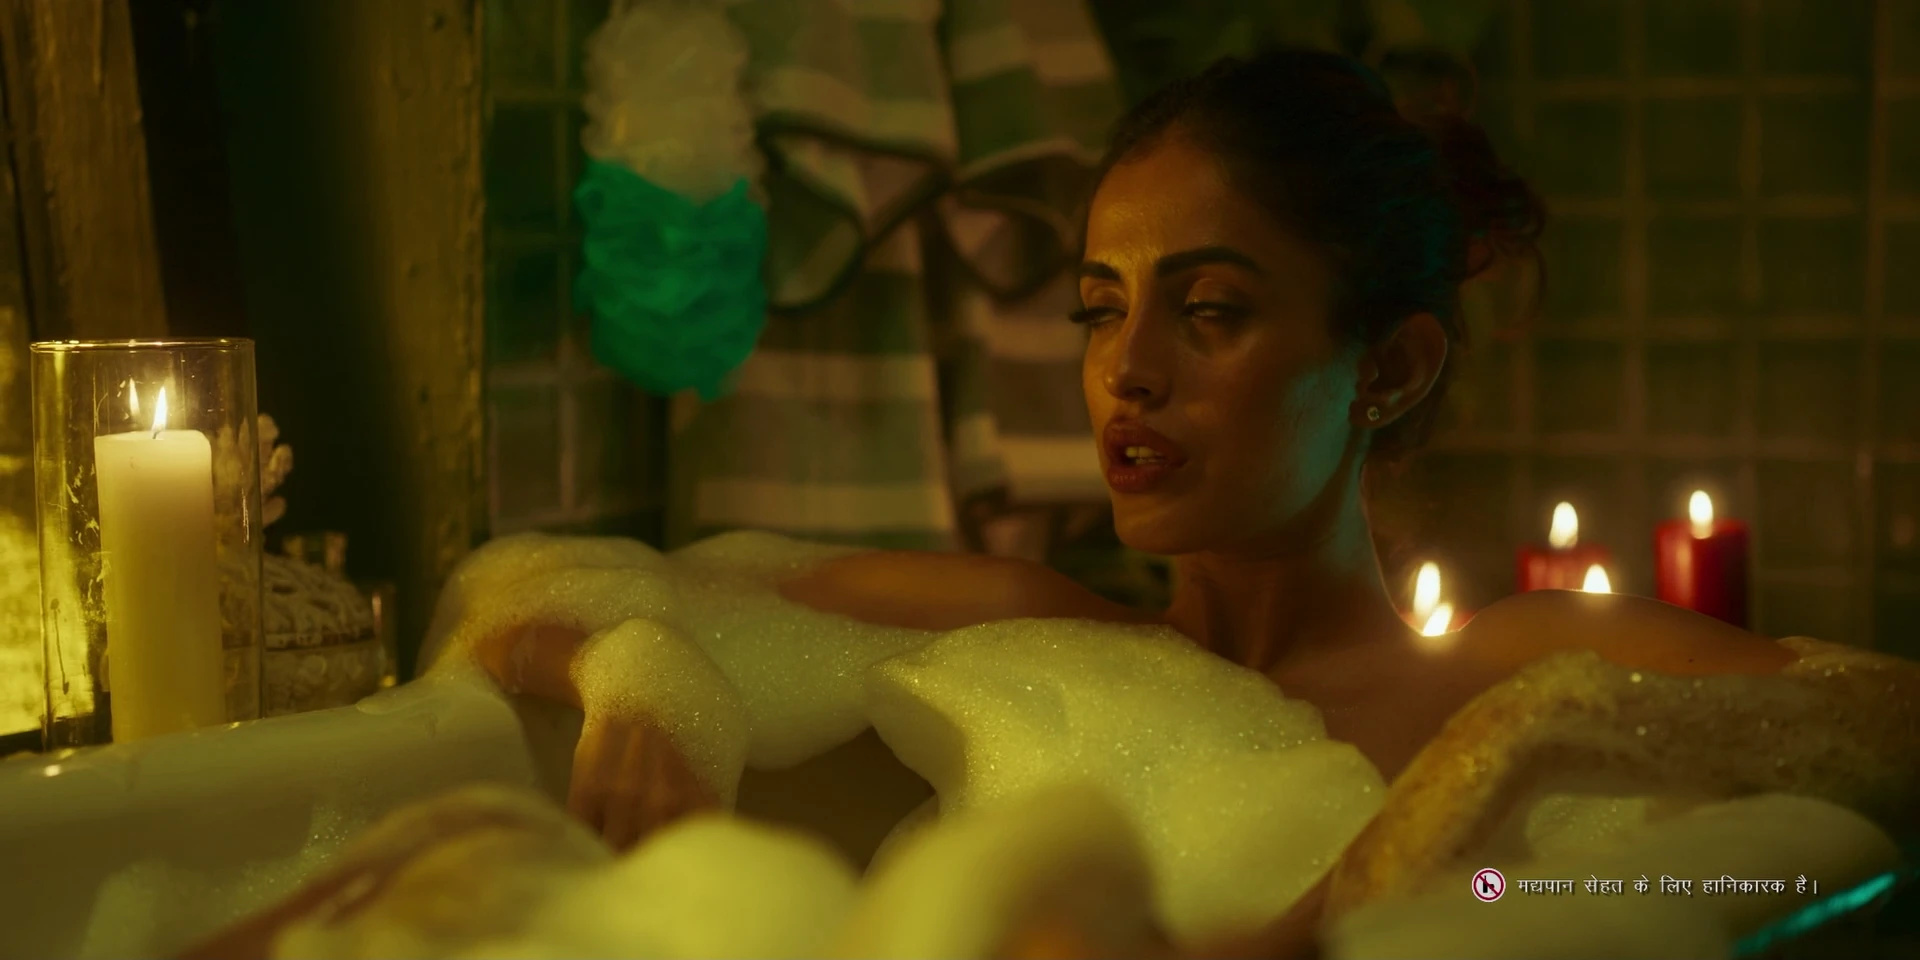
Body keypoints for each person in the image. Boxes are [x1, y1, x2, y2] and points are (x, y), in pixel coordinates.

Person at [447, 45, 1916, 950]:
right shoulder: (1029, 640)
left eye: (1210, 310)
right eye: (1100, 308)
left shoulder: (1514, 678)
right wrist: (634, 674)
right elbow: (535, 593)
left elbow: (1886, 731)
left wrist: (1492, 796)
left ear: (1388, 367)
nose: (1127, 372)